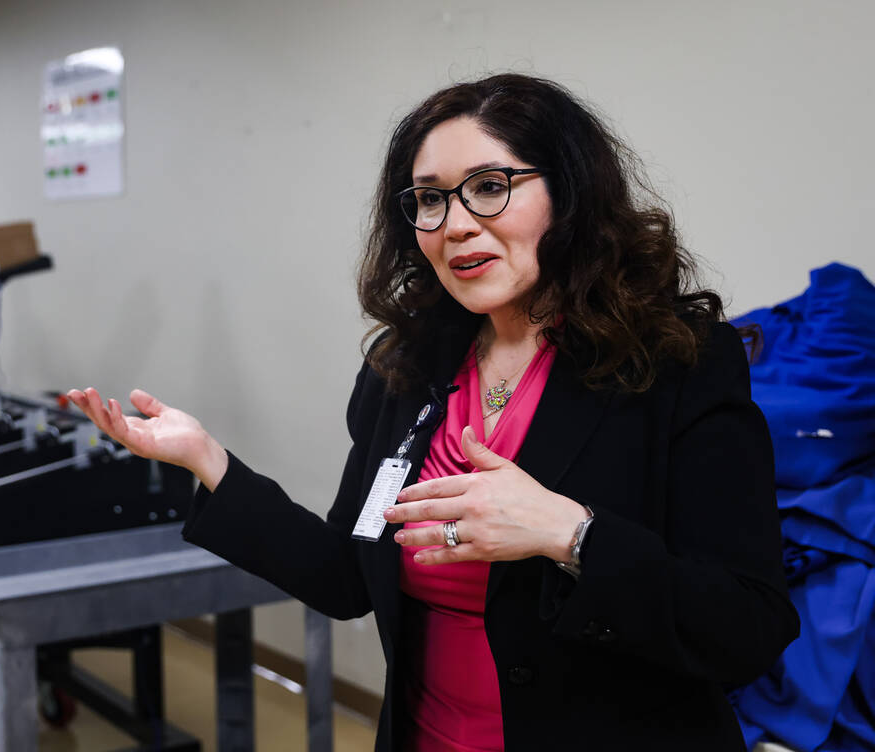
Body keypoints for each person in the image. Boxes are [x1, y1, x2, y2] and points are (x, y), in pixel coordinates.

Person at [68, 74, 799, 752]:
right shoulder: (408, 368)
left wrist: (568, 535)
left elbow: (748, 625)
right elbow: (348, 575)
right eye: (429, 198)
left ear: (571, 196)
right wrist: (207, 460)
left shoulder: (676, 363)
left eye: (489, 186)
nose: (454, 224)